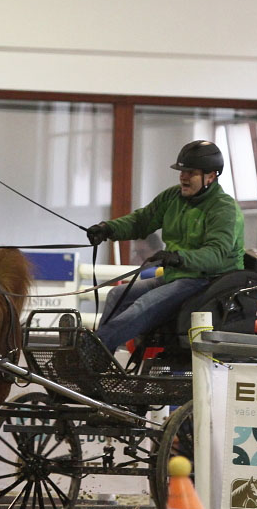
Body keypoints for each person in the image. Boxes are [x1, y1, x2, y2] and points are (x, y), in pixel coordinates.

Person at [84, 140, 245, 354]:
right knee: (117, 295)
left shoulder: (223, 209)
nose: (184, 177)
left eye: (191, 172)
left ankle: (92, 352)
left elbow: (215, 254)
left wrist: (180, 257)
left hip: (207, 281)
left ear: (211, 176)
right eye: (182, 172)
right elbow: (142, 221)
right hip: (178, 275)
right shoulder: (173, 197)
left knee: (144, 304)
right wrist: (108, 229)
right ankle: (102, 355)